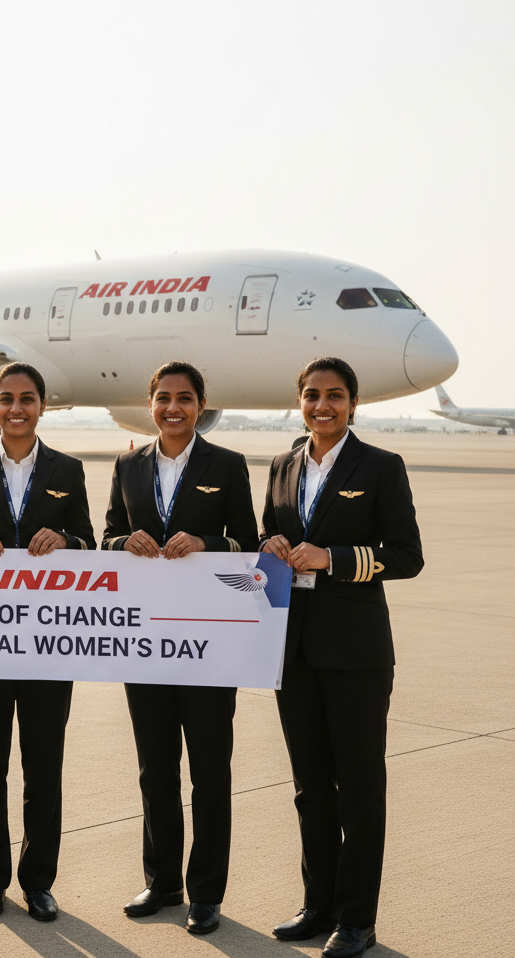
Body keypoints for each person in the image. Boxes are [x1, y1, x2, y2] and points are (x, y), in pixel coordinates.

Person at [262, 357, 423, 958]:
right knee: (310, 788)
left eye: (334, 396)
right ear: (299, 401)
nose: (321, 405)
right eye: (311, 395)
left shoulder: (380, 466)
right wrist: (271, 545)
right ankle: (319, 903)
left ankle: (357, 920)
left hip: (355, 653)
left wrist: (332, 558)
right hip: (293, 650)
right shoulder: (282, 466)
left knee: (358, 787)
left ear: (353, 404)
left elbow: (406, 555)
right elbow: (271, 540)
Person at [102, 360, 258, 936]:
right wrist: (125, 540)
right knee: (156, 769)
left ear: (200, 405)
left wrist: (209, 542)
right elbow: (107, 534)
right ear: (151, 404)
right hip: (146, 644)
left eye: (185, 399)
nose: (174, 408)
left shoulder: (228, 465)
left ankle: (206, 892)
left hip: (210, 644)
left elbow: (250, 541)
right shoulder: (128, 464)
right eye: (164, 398)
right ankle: (163, 880)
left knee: (210, 771)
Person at [0, 361, 95, 922]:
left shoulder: (67, 469)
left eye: (27, 399)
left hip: (48, 645)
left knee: (43, 766)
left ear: (42, 406)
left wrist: (68, 539)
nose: (16, 409)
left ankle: (39, 881)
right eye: (6, 399)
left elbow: (90, 540)